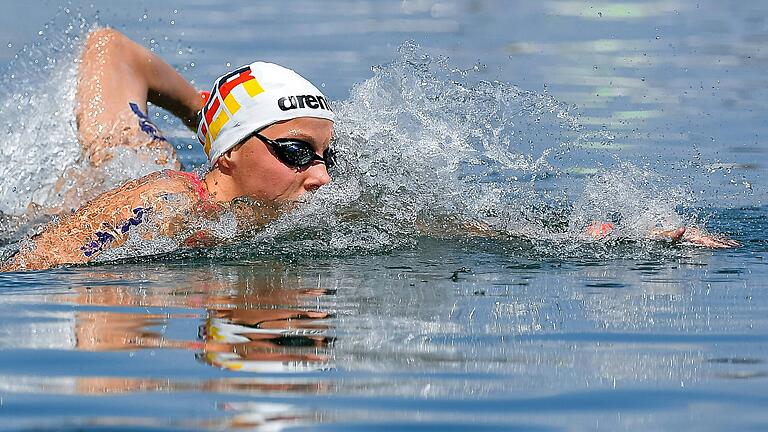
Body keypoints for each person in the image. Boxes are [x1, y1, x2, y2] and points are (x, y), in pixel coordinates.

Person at [0, 29, 738, 272]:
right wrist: (217, 116)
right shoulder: (153, 203)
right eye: (294, 153)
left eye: (327, 157)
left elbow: (438, 229)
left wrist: (601, 242)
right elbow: (24, 269)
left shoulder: (319, 212)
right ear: (226, 156)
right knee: (111, 154)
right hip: (121, 186)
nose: (320, 177)